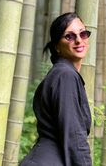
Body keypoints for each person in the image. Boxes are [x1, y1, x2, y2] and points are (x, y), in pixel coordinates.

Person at [19, 12, 92, 166]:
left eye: (83, 34)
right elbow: (75, 137)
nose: (79, 40)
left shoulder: (62, 74)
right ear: (57, 46)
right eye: (69, 36)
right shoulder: (65, 76)